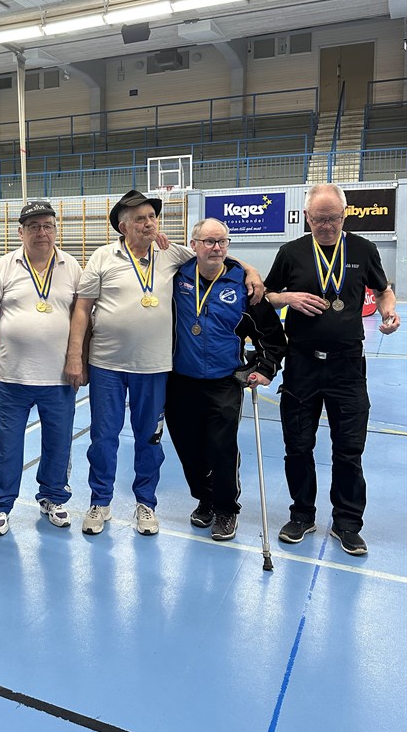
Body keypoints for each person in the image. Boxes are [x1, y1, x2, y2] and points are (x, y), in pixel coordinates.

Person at [65, 189, 263, 537]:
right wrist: (74, 356)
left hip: (154, 368)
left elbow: (213, 254)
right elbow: (82, 308)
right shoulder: (102, 257)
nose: (149, 224)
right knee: (103, 437)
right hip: (107, 365)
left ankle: (146, 503)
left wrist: (251, 270)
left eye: (152, 217)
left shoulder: (171, 253)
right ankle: (100, 501)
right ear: (123, 226)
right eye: (140, 219)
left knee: (149, 439)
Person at [264, 183, 400, 556]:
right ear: (307, 217)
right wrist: (287, 297)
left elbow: (384, 290)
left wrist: (389, 311)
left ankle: (347, 523)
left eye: (334, 219)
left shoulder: (363, 249)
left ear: (345, 215)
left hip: (347, 366)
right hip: (302, 365)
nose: (327, 226)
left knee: (349, 449)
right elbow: (267, 295)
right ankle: (302, 514)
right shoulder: (291, 252)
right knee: (297, 446)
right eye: (319, 219)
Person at [166, 218, 286, 542]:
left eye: (222, 241)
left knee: (221, 448)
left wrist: (266, 367)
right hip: (180, 381)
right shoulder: (175, 278)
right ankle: (205, 499)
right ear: (194, 245)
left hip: (224, 381)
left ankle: (225, 508)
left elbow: (272, 336)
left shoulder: (244, 286)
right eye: (209, 241)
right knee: (188, 449)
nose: (216, 247)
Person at [0, 200, 83, 536]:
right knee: (6, 447)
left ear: (56, 230)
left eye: (47, 226)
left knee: (58, 445)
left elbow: (82, 317)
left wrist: (78, 358)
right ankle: (0, 504)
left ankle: (53, 497)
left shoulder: (71, 266)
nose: (41, 232)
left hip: (59, 378)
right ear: (20, 232)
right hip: (10, 378)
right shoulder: (5, 265)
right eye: (33, 227)